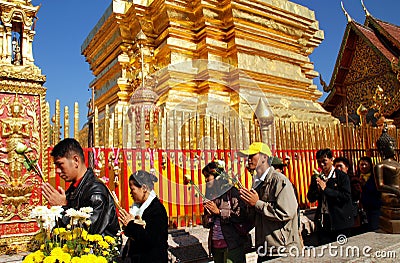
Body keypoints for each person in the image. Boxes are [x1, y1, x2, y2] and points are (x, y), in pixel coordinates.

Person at [41, 138, 120, 237]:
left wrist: (63, 206)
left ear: (75, 160)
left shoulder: (96, 191)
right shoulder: (75, 188)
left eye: (60, 164)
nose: (57, 171)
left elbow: (89, 230)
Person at [238, 142, 301, 262]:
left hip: (282, 249)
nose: (249, 160)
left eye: (252, 156)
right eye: (248, 157)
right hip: (264, 249)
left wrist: (257, 203)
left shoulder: (279, 181)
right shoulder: (257, 183)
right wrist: (249, 205)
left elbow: (286, 212)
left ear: (264, 157)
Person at [201, 161, 250, 263]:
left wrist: (219, 212)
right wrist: (208, 216)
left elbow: (240, 215)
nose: (205, 180)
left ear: (217, 176)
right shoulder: (210, 195)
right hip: (215, 245)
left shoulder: (232, 192)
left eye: (208, 176)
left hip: (231, 244)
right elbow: (207, 224)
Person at [119, 170, 168, 263]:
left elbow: (149, 240)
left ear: (144, 188)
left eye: (132, 189)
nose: (130, 193)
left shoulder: (156, 210)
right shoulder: (139, 207)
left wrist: (130, 224)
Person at [307, 149, 354, 245]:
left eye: (324, 161)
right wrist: (318, 190)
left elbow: (346, 196)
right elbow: (310, 198)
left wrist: (326, 189)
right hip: (323, 220)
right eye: (319, 162)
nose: (321, 164)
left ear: (331, 159)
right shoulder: (316, 177)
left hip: (340, 221)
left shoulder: (341, 177)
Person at [374, 128, 400, 203]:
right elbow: (380, 186)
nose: (394, 148)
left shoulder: (397, 163)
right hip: (390, 194)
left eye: (394, 145)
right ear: (383, 148)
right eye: (391, 146)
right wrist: (396, 191)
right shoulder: (380, 166)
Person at [357, 156, 381, 231]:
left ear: (370, 165)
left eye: (365, 165)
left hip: (374, 206)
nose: (363, 167)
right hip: (361, 208)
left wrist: (365, 185)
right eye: (361, 165)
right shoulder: (356, 177)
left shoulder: (375, 177)